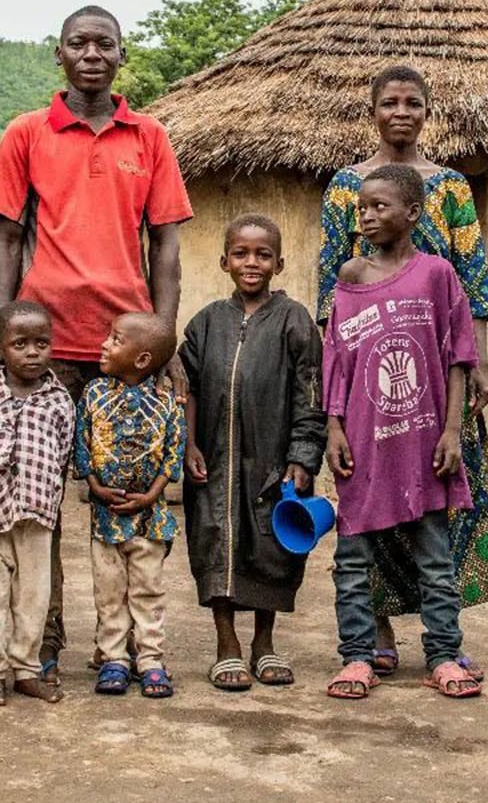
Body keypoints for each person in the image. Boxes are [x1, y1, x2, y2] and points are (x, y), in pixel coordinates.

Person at [0, 5, 193, 682]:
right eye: (79, 43)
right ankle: (40, 640)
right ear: (59, 55)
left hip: (124, 351)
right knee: (35, 500)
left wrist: (162, 338)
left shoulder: (150, 137)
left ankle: (129, 648)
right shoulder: (26, 134)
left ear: (121, 56)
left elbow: (166, 247)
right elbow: (7, 241)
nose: (92, 53)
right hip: (43, 347)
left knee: (125, 496)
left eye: (105, 43)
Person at [314, 63, 488, 681]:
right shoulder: (346, 187)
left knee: (437, 492)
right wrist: (334, 406)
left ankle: (442, 640)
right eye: (389, 102)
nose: (401, 112)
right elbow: (331, 296)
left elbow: (470, 275)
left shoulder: (449, 188)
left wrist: (477, 364)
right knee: (367, 503)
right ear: (372, 110)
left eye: (413, 103)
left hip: (437, 371)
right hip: (369, 377)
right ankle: (376, 637)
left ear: (427, 111)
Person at [181, 214, 325, 691]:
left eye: (263, 255)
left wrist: (303, 457)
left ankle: (264, 641)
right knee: (215, 538)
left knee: (273, 546)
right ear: (224, 260)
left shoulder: (294, 320)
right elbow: (188, 388)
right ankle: (227, 644)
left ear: (279, 263)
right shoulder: (205, 323)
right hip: (214, 460)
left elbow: (310, 394)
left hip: (273, 460)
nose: (251, 262)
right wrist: (189, 443)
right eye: (241, 253)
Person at [0, 301, 76, 707]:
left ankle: (25, 669)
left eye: (42, 343)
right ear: (0, 349)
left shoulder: (59, 402)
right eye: (20, 344)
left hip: (37, 515)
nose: (32, 352)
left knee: (33, 597)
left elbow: (64, 452)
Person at [74, 313, 185, 699]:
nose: (104, 344)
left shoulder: (166, 401)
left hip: (149, 519)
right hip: (105, 518)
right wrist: (94, 487)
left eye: (115, 339)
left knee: (147, 588)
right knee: (109, 589)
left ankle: (151, 659)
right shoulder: (93, 394)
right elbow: (82, 444)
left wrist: (153, 494)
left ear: (142, 359)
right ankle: (114, 658)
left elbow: (174, 451)